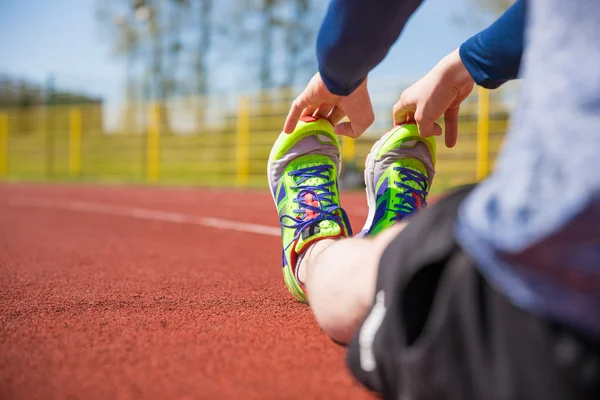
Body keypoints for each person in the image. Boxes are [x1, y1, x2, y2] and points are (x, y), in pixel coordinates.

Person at [267, 0, 600, 398]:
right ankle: (396, 230)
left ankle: (310, 251)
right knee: (448, 226)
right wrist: (467, 62)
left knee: (355, 279)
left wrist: (340, 73)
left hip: (540, 300)